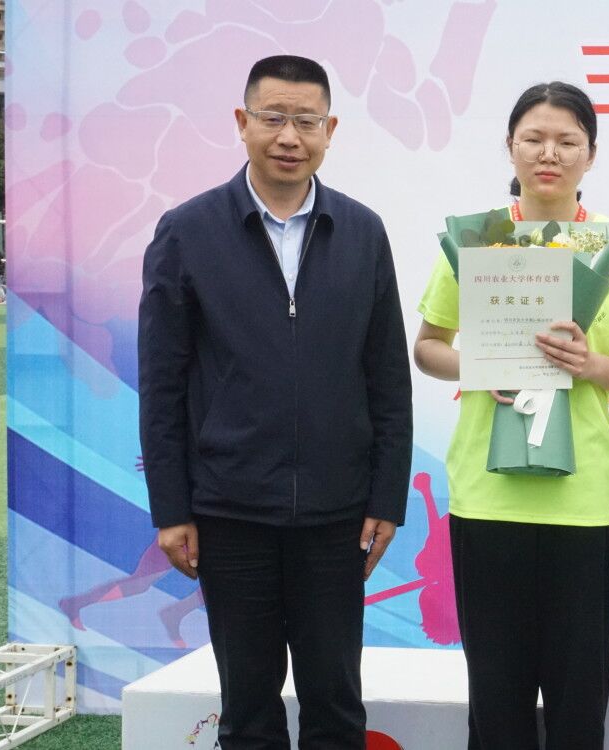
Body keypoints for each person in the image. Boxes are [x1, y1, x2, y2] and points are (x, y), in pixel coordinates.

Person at [138, 54, 413, 749]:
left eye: (307, 122)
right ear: (243, 122)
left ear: (330, 131)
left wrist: (387, 498)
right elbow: (162, 383)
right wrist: (172, 509)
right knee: (248, 710)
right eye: (273, 118)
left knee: (336, 705)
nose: (290, 136)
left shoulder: (362, 231)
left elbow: (387, 378)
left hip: (337, 516)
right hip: (230, 513)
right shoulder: (188, 231)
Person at [412, 81, 609, 749]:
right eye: (534, 139)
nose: (550, 154)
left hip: (584, 499)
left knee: (579, 701)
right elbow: (428, 348)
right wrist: (480, 366)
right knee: (496, 698)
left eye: (567, 141)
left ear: (590, 154)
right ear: (510, 147)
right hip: (488, 496)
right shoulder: (476, 240)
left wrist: (588, 364)